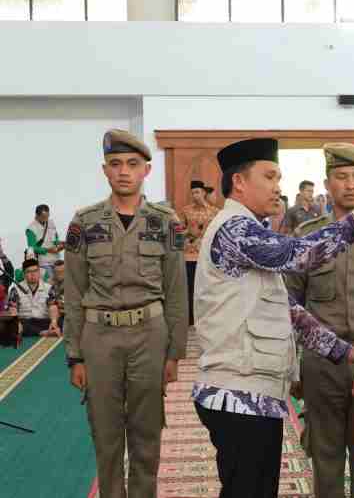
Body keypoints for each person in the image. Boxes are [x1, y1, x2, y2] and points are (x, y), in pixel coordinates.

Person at [191, 138, 354, 498]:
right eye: (270, 176)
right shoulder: (234, 229)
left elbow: (290, 312)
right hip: (237, 393)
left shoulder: (251, 232)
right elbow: (301, 255)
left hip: (254, 392)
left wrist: (344, 352)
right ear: (239, 182)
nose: (278, 187)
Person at [63, 129, 189, 498]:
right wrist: (75, 355)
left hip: (149, 336)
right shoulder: (84, 223)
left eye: (132, 164)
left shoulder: (166, 222)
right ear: (105, 170)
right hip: (98, 338)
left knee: (146, 434)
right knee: (106, 435)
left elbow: (176, 291)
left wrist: (174, 352)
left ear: (146, 170)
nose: (124, 172)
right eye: (116, 164)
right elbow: (73, 292)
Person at [284, 143, 354, 498]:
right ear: (327, 183)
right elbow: (288, 302)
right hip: (324, 363)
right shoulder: (308, 236)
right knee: (326, 455)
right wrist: (292, 366)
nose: (350, 185)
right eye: (341, 177)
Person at [180, 180, 220, 325]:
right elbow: (177, 232)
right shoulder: (186, 211)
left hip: (206, 256)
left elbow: (218, 234)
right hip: (189, 256)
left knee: (206, 288)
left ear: (203, 193)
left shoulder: (215, 212)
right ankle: (190, 318)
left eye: (197, 192)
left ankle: (206, 317)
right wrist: (188, 232)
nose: (194, 195)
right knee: (189, 287)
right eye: (192, 193)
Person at [6, 257, 60, 337]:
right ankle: (42, 333)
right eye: (29, 272)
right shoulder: (15, 289)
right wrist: (16, 322)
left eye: (35, 271)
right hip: (25, 321)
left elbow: (52, 306)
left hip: (43, 320)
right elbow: (13, 309)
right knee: (14, 325)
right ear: (24, 274)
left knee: (63, 321)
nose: (33, 274)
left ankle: (49, 329)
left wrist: (54, 321)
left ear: (39, 272)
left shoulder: (49, 288)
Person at [25, 204, 64, 281]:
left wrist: (62, 244)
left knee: (63, 282)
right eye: (43, 217)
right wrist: (47, 250)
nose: (46, 219)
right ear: (37, 215)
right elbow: (32, 248)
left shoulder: (51, 223)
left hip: (56, 260)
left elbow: (55, 240)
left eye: (47, 216)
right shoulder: (31, 229)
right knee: (51, 285)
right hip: (44, 263)